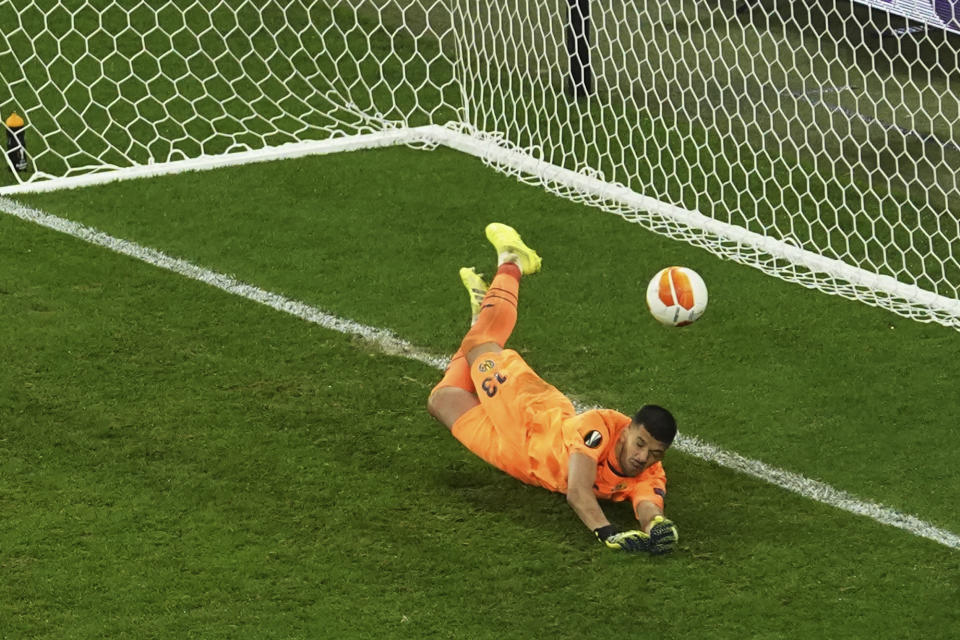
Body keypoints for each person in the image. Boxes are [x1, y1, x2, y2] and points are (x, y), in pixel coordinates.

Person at [427, 223, 679, 554]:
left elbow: (647, 502)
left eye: (653, 453)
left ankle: (482, 313)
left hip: (520, 461)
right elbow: (578, 491)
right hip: (526, 414)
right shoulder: (599, 429)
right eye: (639, 444)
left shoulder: (650, 469)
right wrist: (608, 533)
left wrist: (656, 526)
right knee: (479, 345)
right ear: (627, 430)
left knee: (441, 400)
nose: (641, 457)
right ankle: (513, 261)